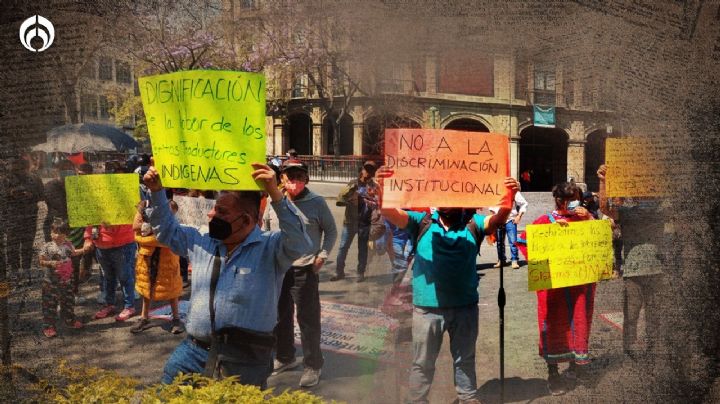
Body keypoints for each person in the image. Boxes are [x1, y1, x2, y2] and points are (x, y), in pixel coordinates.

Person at [143, 163, 312, 388]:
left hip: (246, 359)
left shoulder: (271, 248)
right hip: (193, 351)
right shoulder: (203, 240)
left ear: (246, 220)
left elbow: (301, 241)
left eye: (222, 212)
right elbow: (167, 232)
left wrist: (275, 194)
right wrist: (156, 192)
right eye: (215, 208)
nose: (211, 214)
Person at [378, 166, 519, 404]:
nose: (445, 202)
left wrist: (509, 197)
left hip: (465, 307)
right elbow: (389, 212)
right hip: (427, 308)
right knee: (422, 361)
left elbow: (497, 220)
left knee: (464, 358)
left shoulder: (474, 223)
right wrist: (383, 186)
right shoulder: (420, 222)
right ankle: (417, 400)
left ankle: (468, 398)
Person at [263, 159, 337, 387]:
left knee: (307, 319)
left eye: (299, 176)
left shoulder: (317, 202)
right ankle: (285, 356)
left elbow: (331, 231)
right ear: (281, 178)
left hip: (304, 268)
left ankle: (313, 365)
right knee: (279, 316)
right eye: (289, 176)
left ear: (306, 179)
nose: (294, 181)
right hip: (279, 268)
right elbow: (266, 227)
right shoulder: (272, 200)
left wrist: (322, 255)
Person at [516, 181, 595, 396]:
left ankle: (574, 367)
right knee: (552, 327)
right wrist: (552, 241)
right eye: (570, 198)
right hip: (553, 289)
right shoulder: (544, 222)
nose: (574, 203)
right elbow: (523, 242)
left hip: (580, 287)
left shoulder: (586, 220)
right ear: (560, 200)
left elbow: (602, 239)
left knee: (579, 323)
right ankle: (553, 373)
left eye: (577, 197)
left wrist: (588, 218)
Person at [596, 165, 669, 358]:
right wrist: (603, 181)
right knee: (631, 314)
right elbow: (605, 208)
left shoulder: (661, 211)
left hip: (658, 270)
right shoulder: (628, 213)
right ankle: (630, 348)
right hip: (633, 273)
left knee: (655, 314)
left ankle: (655, 347)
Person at [131, 200, 184, 335]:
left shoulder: (173, 214)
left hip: (168, 259)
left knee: (171, 288)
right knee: (146, 287)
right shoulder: (145, 212)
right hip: (147, 259)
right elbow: (135, 230)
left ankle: (176, 318)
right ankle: (144, 317)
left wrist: (148, 238)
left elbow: (169, 238)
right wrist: (155, 237)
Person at [331, 160, 377, 282]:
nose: (368, 172)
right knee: (343, 247)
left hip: (365, 223)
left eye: (371, 170)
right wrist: (351, 195)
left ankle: (360, 273)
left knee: (362, 249)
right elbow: (340, 200)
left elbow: (378, 204)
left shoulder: (374, 186)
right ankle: (339, 272)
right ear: (362, 170)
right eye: (366, 169)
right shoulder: (353, 183)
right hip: (350, 222)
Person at [84, 219, 138, 322]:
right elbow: (90, 215)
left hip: (123, 244)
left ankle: (129, 306)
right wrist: (88, 238)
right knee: (108, 277)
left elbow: (132, 215)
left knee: (125, 276)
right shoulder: (97, 203)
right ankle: (109, 304)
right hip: (101, 246)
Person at [38, 219, 84, 338]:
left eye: (60, 233)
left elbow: (73, 253)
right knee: (49, 305)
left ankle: (69, 320)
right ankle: (48, 326)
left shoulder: (68, 244)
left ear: (66, 235)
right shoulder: (47, 246)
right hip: (50, 283)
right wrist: (51, 263)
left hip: (67, 281)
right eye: (54, 232)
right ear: (51, 233)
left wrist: (84, 250)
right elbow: (41, 261)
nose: (57, 236)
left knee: (68, 301)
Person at [6, 156, 44, 284]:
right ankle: (16, 273)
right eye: (17, 169)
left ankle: (25, 272)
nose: (19, 171)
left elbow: (41, 195)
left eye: (22, 168)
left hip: (28, 218)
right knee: (14, 247)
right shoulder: (7, 180)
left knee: (25, 246)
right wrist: (10, 193)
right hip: (13, 219)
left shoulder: (35, 179)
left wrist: (31, 195)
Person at [490, 191, 528, 269]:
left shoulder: (513, 191)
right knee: (499, 242)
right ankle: (501, 259)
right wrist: (493, 217)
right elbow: (492, 205)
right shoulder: (495, 189)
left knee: (513, 241)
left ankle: (514, 260)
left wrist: (519, 216)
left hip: (510, 219)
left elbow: (524, 203)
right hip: (498, 219)